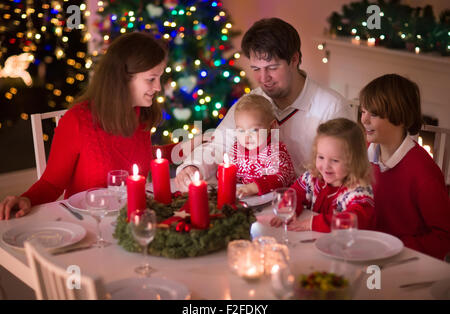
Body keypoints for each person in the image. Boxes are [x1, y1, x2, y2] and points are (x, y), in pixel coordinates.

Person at [0, 32, 179, 220]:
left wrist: (184, 148)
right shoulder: (78, 121)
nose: (158, 87)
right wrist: (26, 199)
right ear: (123, 79)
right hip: (89, 225)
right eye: (151, 79)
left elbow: (139, 156)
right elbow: (52, 184)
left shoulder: (141, 114)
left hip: (131, 221)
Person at [175, 17, 354, 192]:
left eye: (272, 68)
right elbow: (218, 145)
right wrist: (193, 167)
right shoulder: (250, 103)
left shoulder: (332, 107)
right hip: (252, 203)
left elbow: (347, 175)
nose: (263, 78)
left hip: (309, 208)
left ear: (294, 59)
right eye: (256, 69)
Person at [360, 74, 450, 260]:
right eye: (363, 111)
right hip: (369, 253)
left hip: (404, 263)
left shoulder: (424, 174)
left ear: (399, 118)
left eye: (373, 114)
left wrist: (395, 248)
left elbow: (444, 237)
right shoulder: (366, 152)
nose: (364, 119)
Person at [270, 118, 375, 232]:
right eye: (321, 157)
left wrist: (312, 223)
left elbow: (353, 220)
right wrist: (289, 208)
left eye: (335, 160)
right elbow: (294, 193)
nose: (325, 166)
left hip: (346, 246)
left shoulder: (358, 192)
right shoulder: (313, 178)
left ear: (354, 161)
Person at [228, 94, 296, 198]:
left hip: (276, 200)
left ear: (271, 126)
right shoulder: (236, 150)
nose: (247, 136)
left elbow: (281, 177)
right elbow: (229, 173)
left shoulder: (275, 151)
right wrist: (225, 175)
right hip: (248, 199)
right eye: (241, 130)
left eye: (254, 130)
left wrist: (253, 187)